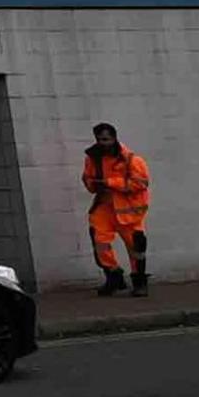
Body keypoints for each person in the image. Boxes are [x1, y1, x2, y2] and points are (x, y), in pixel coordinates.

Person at [83, 122, 153, 295]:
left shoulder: (131, 159)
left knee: (135, 247)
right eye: (99, 139)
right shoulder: (93, 157)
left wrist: (109, 183)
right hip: (105, 206)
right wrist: (94, 184)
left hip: (128, 210)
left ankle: (139, 282)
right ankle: (113, 275)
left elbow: (140, 183)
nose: (103, 143)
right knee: (100, 241)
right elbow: (87, 178)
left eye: (106, 139)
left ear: (114, 138)